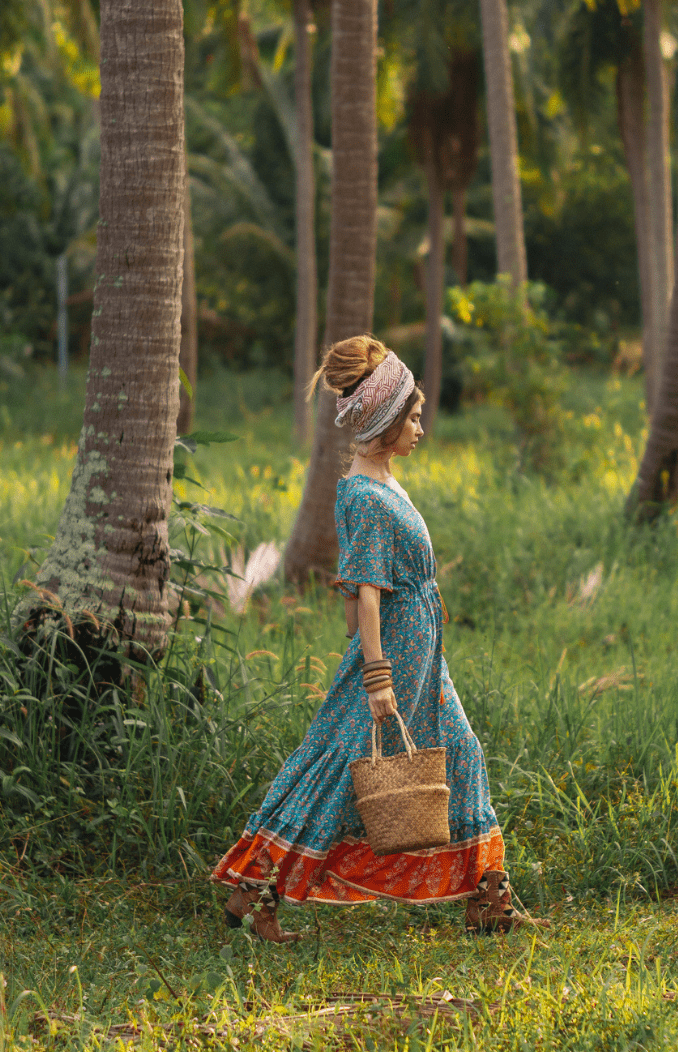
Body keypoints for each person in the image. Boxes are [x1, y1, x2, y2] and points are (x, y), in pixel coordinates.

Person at [212, 335, 549, 941]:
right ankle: (254, 891)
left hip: (422, 652)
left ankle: (487, 895)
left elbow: (351, 590)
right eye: (413, 416)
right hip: (395, 655)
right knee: (343, 767)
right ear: (387, 419)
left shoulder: (383, 482)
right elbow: (364, 591)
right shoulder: (366, 495)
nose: (422, 426)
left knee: (462, 754)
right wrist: (375, 677)